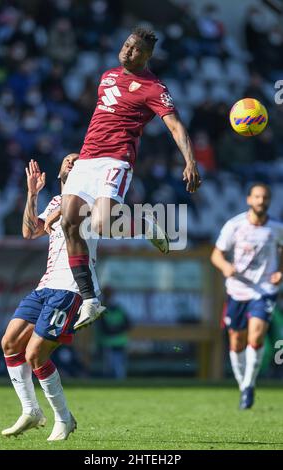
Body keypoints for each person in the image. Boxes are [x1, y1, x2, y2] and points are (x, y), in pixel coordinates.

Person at [61, 27, 201, 329]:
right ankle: (90, 300)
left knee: (100, 224)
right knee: (69, 223)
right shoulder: (108, 76)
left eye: (135, 49)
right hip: (87, 159)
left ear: (147, 56)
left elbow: (175, 126)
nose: (127, 51)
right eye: (126, 45)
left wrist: (190, 160)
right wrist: (79, 153)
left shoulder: (154, 88)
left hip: (116, 160)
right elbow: (102, 120)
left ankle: (143, 224)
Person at [1, 154, 100, 440]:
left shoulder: (89, 197)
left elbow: (77, 213)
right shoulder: (56, 200)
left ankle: (63, 418)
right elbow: (30, 231)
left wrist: (60, 212)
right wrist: (32, 195)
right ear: (59, 171)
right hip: (46, 285)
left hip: (71, 286)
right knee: (9, 342)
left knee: (35, 354)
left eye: (78, 160)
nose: (73, 161)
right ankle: (31, 410)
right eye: (69, 159)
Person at [211, 183, 283, 409]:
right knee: (237, 341)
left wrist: (280, 271)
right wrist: (225, 267)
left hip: (264, 291)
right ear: (249, 200)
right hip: (237, 290)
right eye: (257, 197)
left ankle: (250, 385)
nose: (261, 201)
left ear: (269, 200)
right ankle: (243, 384)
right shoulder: (235, 226)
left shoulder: (276, 228)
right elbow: (216, 255)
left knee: (256, 335)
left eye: (265, 197)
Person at [95, 287, 131, 379]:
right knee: (110, 368)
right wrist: (118, 328)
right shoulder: (101, 309)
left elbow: (128, 324)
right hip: (107, 344)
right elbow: (104, 328)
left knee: (118, 368)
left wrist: (114, 329)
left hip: (119, 343)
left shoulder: (119, 309)